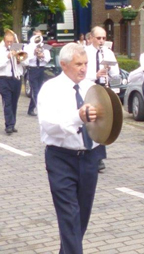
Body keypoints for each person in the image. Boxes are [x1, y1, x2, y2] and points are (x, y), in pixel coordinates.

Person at [38, 43, 99, 253]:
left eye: (86, 64)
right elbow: (49, 125)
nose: (83, 68)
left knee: (81, 218)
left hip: (89, 158)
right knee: (69, 217)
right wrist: (77, 117)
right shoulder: (50, 89)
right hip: (61, 158)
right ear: (64, 65)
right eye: (78, 64)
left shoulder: (91, 87)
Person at [85, 26, 119, 172]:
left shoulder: (108, 53)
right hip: (89, 89)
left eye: (104, 38)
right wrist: (95, 74)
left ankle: (99, 156)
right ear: (91, 38)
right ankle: (90, 152)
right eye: (98, 38)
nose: (101, 41)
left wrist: (110, 70)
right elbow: (81, 73)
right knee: (91, 121)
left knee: (103, 122)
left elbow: (116, 74)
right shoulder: (85, 52)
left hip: (104, 90)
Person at [0, 30, 24, 135]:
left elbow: (25, 63)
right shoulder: (1, 50)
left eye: (11, 42)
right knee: (7, 102)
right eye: (7, 42)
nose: (9, 44)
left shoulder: (17, 48)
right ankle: (8, 125)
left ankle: (12, 124)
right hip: (4, 79)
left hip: (16, 78)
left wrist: (20, 60)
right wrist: (8, 56)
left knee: (14, 102)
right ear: (4, 41)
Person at [24, 30, 51, 116]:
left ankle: (31, 109)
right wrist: (34, 54)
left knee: (38, 90)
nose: (38, 38)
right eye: (37, 36)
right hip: (32, 69)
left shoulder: (44, 47)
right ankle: (39, 110)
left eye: (40, 36)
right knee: (35, 91)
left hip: (41, 69)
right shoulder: (28, 47)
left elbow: (48, 59)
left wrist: (42, 56)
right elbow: (26, 60)